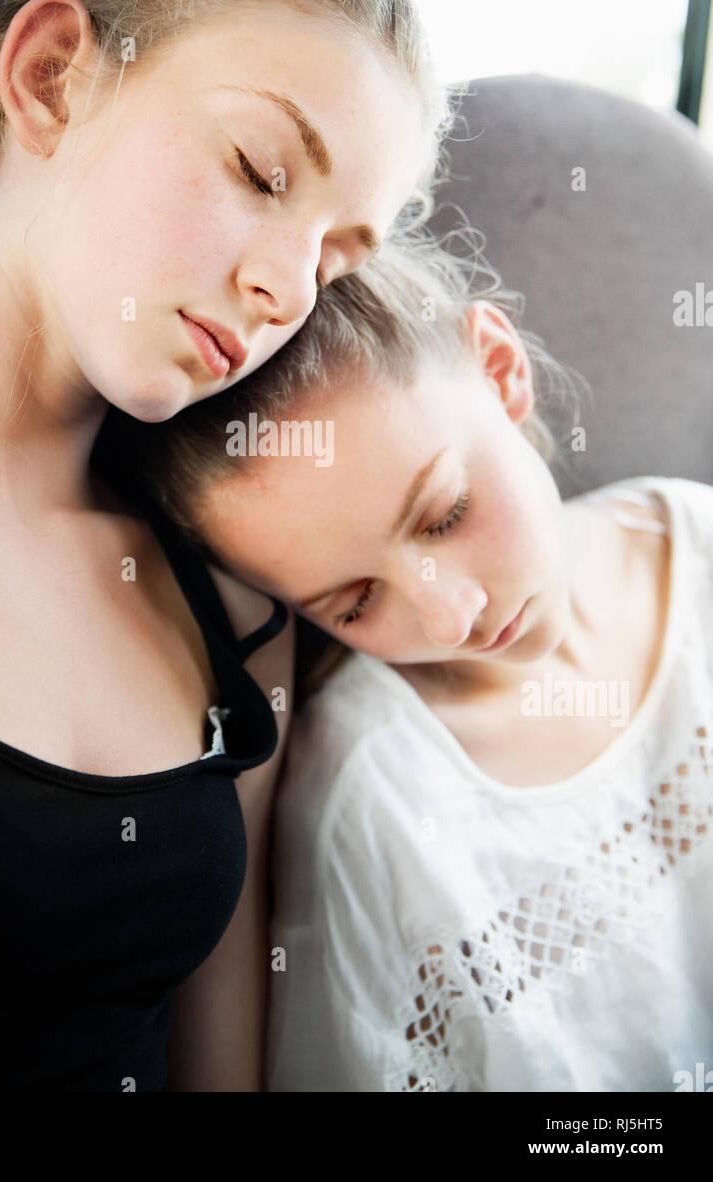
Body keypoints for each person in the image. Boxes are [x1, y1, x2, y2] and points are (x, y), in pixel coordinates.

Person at [0, 0, 451, 1092]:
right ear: (52, 78)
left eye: (335, 264)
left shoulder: (231, 601)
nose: (287, 290)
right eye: (261, 172)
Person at [131, 241, 713, 1092]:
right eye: (355, 604)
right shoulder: (375, 805)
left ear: (501, 372)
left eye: (446, 515)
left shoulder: (694, 542)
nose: (451, 618)